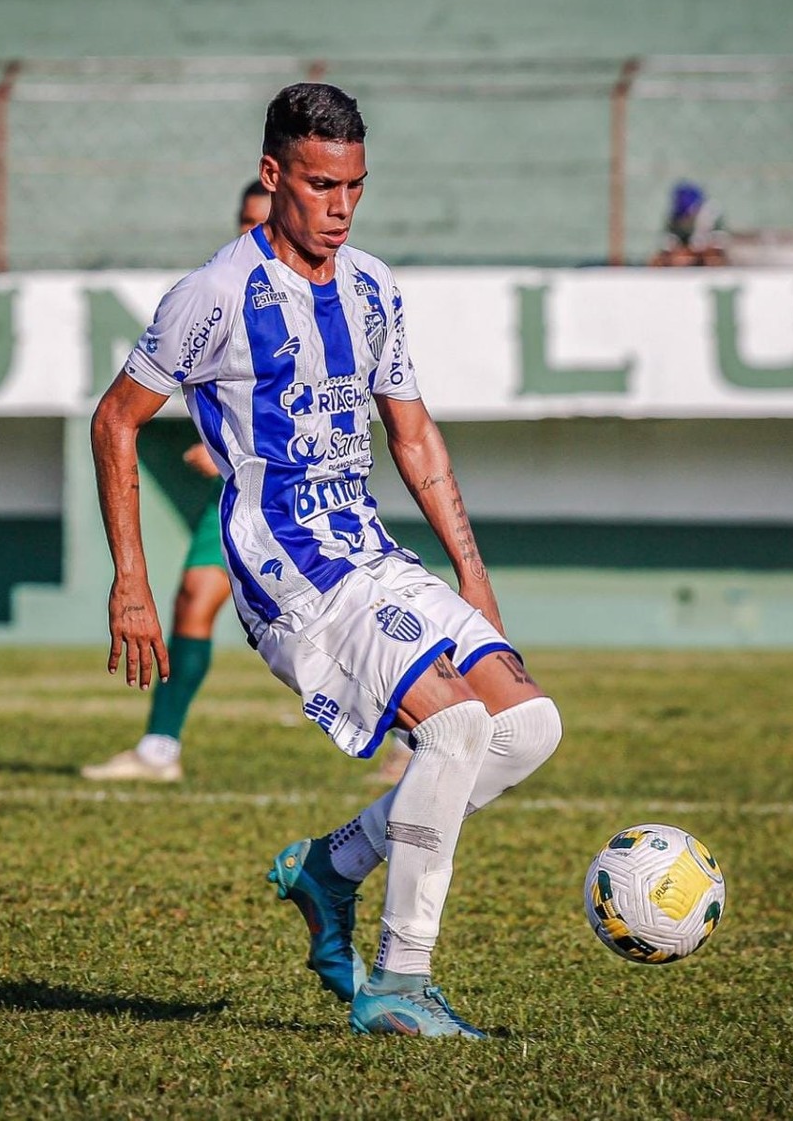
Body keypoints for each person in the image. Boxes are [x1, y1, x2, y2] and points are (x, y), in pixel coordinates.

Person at [90, 82, 563, 1038]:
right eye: (318, 184)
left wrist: (471, 571)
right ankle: (398, 982)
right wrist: (130, 580)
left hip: (372, 551)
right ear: (273, 178)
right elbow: (116, 419)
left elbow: (413, 434)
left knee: (529, 728)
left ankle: (331, 867)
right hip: (288, 571)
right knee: (458, 729)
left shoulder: (374, 286)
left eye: (353, 186)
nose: (339, 207)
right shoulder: (213, 295)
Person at [81, 180, 271, 782]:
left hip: (293, 498)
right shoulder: (220, 294)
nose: (251, 231)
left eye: (262, 220)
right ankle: (159, 750)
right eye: (245, 219)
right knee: (193, 598)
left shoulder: (319, 297)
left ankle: (418, 731)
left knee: (322, 630)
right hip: (236, 497)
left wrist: (241, 454)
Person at [648, 180, 729, 267]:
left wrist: (696, 251)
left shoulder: (712, 215)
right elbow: (669, 242)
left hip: (704, 253)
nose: (687, 217)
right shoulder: (675, 217)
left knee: (713, 258)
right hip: (686, 251)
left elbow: (717, 246)